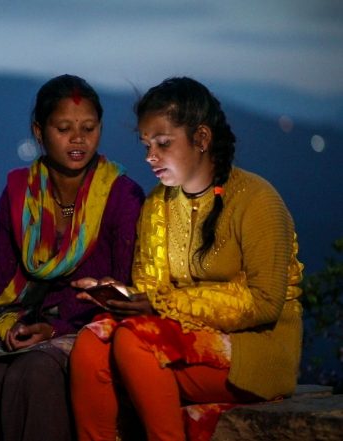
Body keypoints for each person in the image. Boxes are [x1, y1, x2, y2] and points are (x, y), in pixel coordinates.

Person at [69, 76, 304, 441]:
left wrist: (161, 305)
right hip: (182, 337)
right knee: (91, 343)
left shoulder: (257, 201)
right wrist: (123, 295)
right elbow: (153, 290)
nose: (150, 156)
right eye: (147, 145)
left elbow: (263, 301)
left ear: (202, 138)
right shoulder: (158, 205)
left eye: (163, 143)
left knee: (135, 342)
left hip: (253, 351)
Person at [0, 74, 145, 441]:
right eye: (64, 129)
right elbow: (0, 284)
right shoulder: (19, 195)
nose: (78, 139)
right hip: (27, 324)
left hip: (93, 328)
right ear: (39, 131)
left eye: (89, 128)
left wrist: (55, 330)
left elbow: (125, 292)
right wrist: (13, 329)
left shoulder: (121, 197)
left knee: (34, 370)